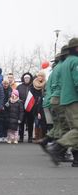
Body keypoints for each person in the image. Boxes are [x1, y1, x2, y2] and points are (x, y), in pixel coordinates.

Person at [47, 38, 78, 167]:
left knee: (73, 129)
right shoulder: (75, 61)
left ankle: (76, 159)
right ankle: (57, 146)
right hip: (73, 99)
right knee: (76, 129)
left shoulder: (64, 63)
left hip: (64, 99)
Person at [17, 72, 34, 143]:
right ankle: (21, 137)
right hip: (21, 107)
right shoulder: (19, 87)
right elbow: (16, 96)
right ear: (23, 79)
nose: (27, 79)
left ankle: (30, 137)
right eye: (25, 78)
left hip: (31, 107)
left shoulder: (33, 86)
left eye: (28, 78)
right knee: (21, 122)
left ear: (30, 79)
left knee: (30, 123)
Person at [30, 71, 46, 143]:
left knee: (42, 122)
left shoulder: (46, 84)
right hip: (34, 105)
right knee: (36, 122)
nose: (40, 77)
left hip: (42, 104)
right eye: (39, 76)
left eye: (41, 76)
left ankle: (42, 137)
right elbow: (30, 94)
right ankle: (36, 137)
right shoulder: (33, 84)